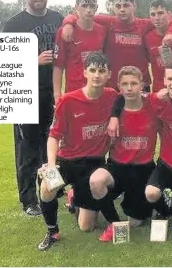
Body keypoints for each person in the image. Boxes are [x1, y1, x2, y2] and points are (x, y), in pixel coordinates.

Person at [36, 52, 118, 250]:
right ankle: (52, 231)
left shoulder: (113, 97)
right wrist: (51, 165)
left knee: (86, 227)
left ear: (109, 74)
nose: (96, 75)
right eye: (92, 70)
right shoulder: (68, 100)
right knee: (48, 185)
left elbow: (136, 97)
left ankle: (73, 197)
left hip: (94, 164)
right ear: (84, 73)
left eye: (101, 71)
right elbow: (54, 136)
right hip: (67, 161)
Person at [2, 0, 64, 216]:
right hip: (25, 94)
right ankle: (29, 200)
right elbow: (3, 64)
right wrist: (33, 61)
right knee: (28, 149)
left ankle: (50, 189)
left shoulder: (58, 19)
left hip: (53, 93)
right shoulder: (14, 24)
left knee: (53, 145)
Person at [60, 0, 172, 91]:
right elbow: (81, 15)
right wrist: (68, 23)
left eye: (126, 5)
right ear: (113, 7)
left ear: (134, 6)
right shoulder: (107, 22)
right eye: (118, 6)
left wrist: (170, 34)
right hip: (113, 85)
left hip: (140, 84)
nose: (122, 9)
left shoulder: (144, 24)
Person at [88, 66, 158, 242]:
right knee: (96, 183)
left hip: (143, 169)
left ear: (142, 85)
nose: (129, 88)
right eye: (125, 84)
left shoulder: (153, 105)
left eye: (134, 83)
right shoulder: (112, 108)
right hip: (117, 167)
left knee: (136, 222)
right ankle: (114, 224)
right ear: (118, 86)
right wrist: (113, 117)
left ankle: (155, 199)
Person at [53, 0, 106, 102]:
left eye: (92, 6)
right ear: (77, 7)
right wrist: (57, 96)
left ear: (96, 8)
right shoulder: (65, 32)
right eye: (84, 6)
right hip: (74, 93)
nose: (88, 10)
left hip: (98, 92)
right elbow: (58, 66)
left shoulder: (102, 30)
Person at [143, 0, 172, 92]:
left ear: (169, 14)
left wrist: (170, 33)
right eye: (153, 14)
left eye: (160, 13)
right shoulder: (147, 37)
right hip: (160, 91)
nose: (157, 17)